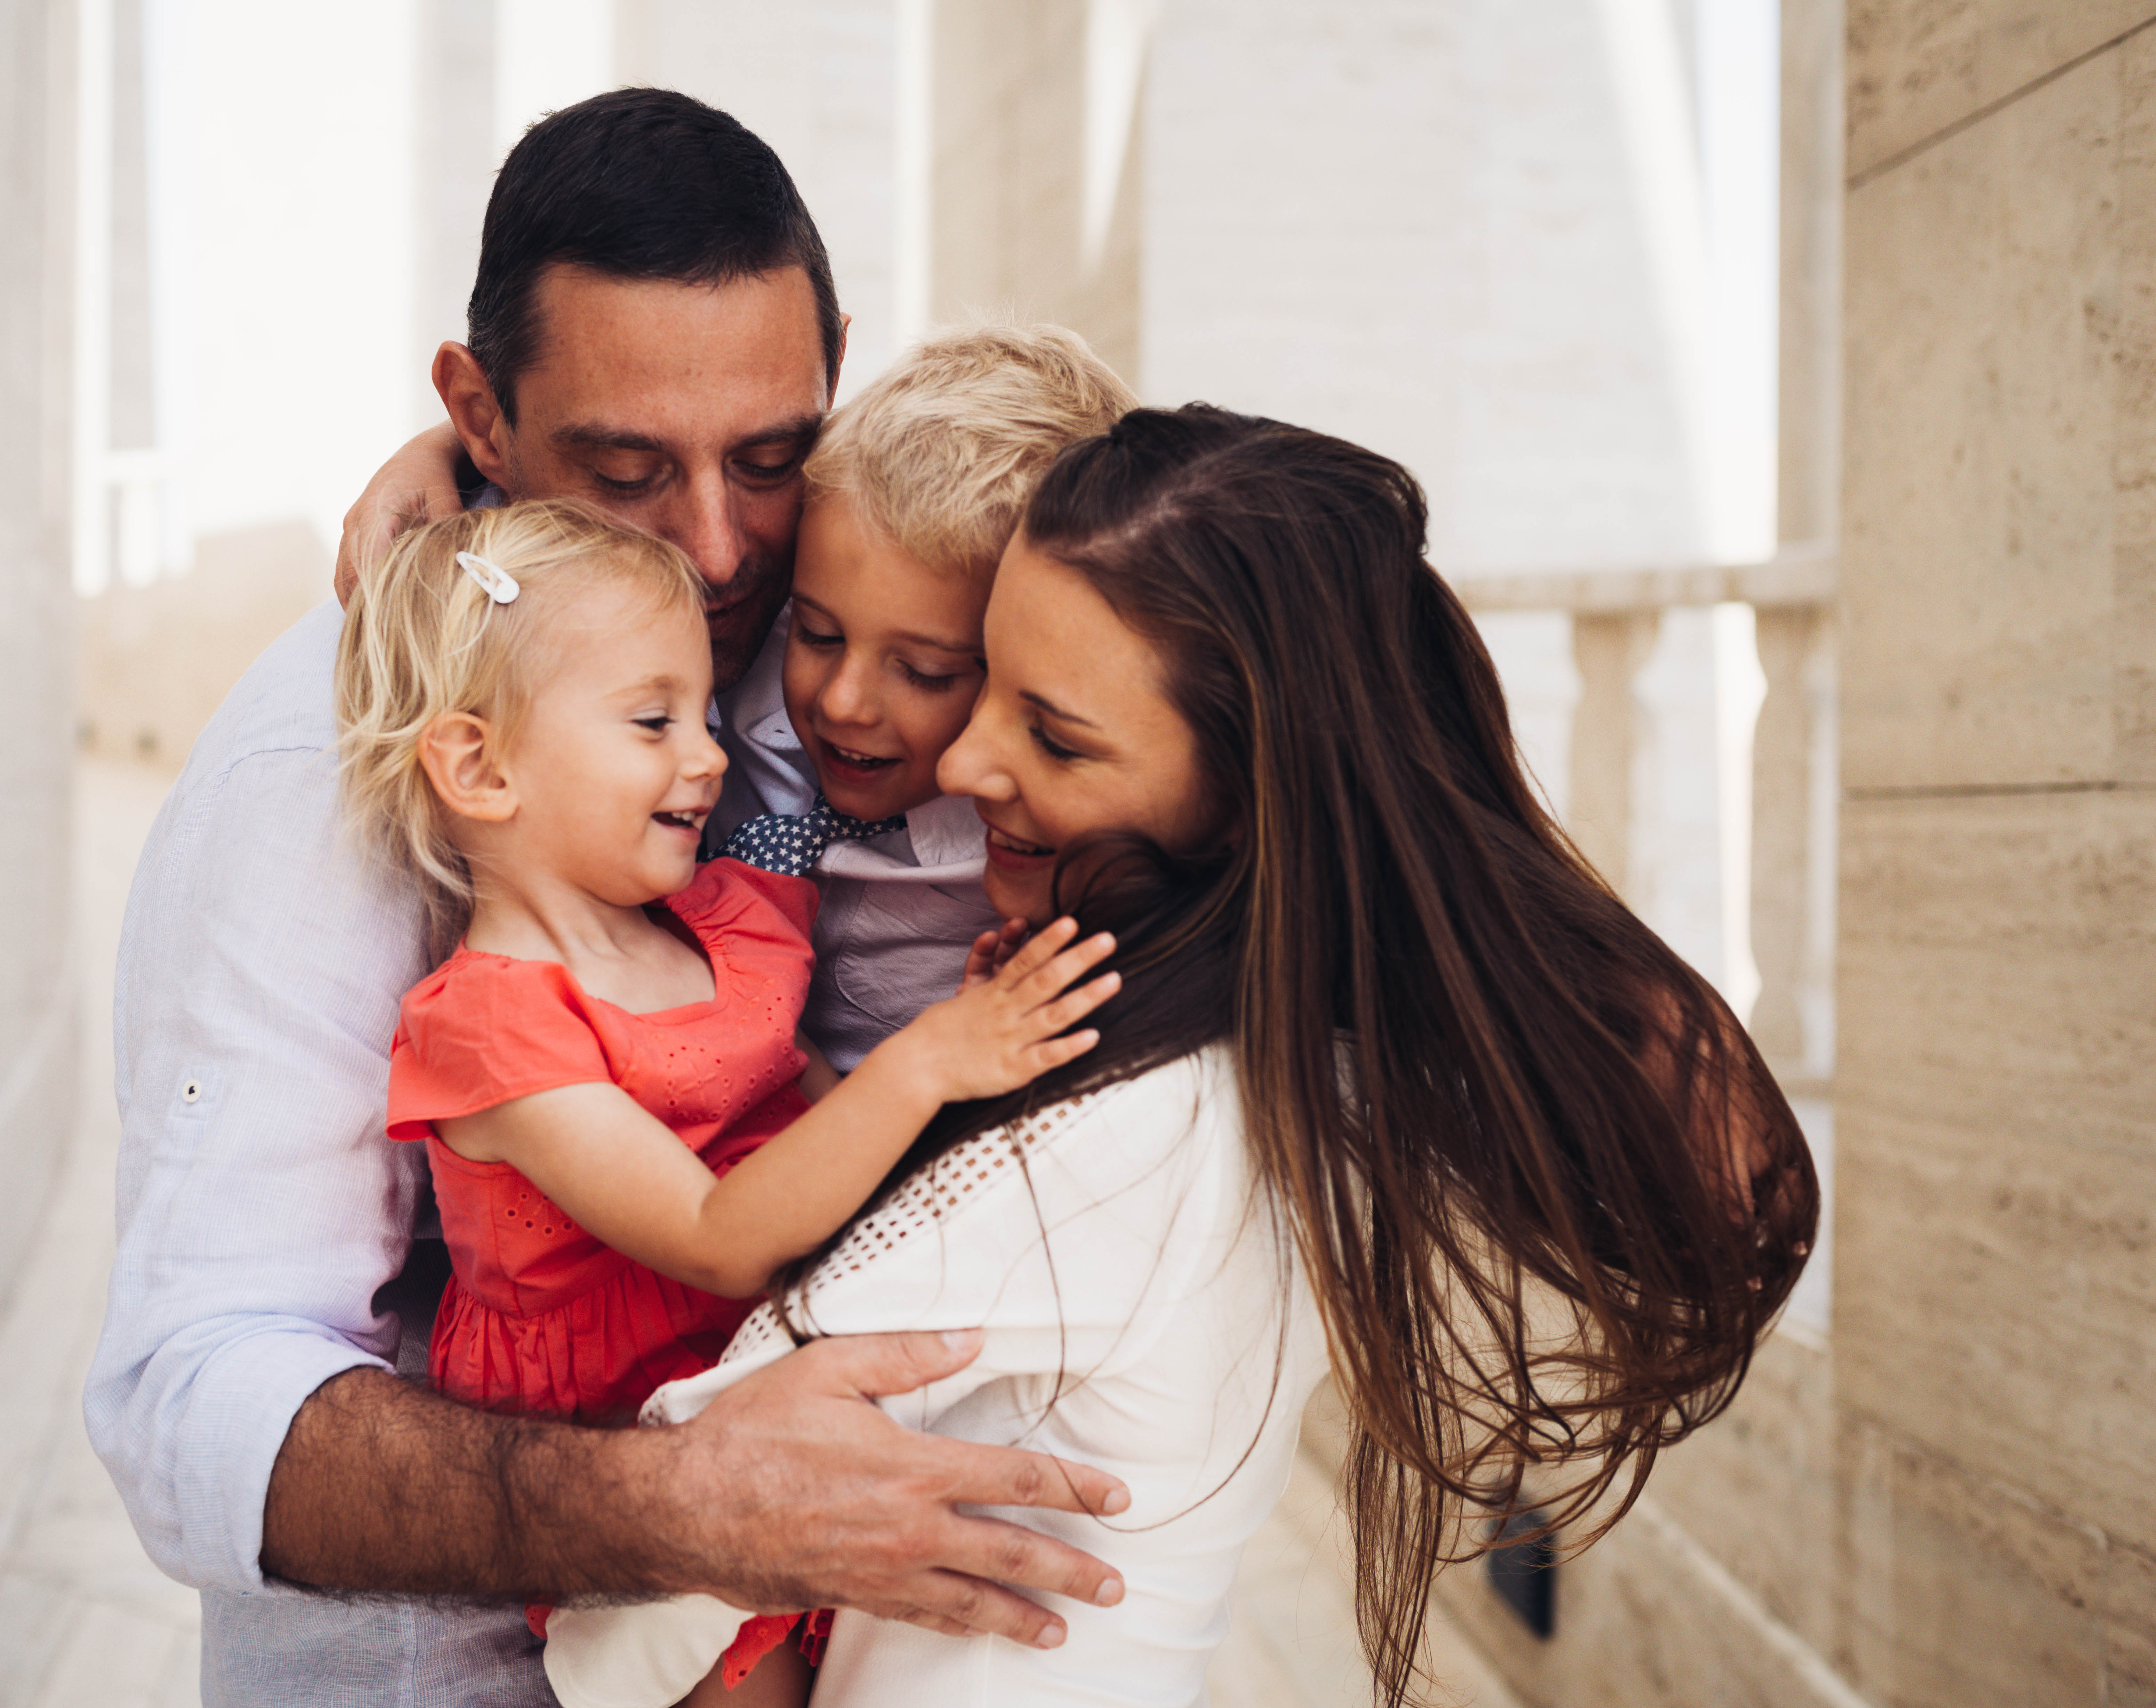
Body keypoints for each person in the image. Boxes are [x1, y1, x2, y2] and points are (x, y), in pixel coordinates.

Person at [86, 89, 1130, 1708]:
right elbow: (192, 1394)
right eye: (626, 469)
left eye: (770, 459)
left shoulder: (823, 639)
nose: (716, 551)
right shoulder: (316, 774)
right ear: (481, 417)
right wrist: (681, 1503)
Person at [540, 406, 1821, 1707]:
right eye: (987, 680)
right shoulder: (1317, 1064)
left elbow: (698, 1520)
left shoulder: (1132, 1133)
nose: (966, 758)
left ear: (1254, 794)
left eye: (1055, 736)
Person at [333, 498, 1123, 1700]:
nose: (709, 758)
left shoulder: (722, 926)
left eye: (705, 716)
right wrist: (929, 1061)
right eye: (653, 721)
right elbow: (716, 1235)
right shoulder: (489, 1027)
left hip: (782, 1369)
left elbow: (821, 1129)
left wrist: (963, 1059)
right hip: (640, 1442)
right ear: (482, 768)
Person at [713, 323, 1136, 1068]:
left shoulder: (1038, 854)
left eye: (926, 672)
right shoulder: (731, 678)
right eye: (818, 634)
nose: (842, 703)